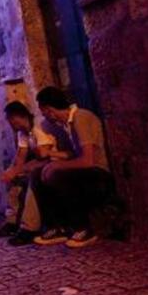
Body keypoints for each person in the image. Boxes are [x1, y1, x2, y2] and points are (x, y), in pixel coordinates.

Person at [31, 87, 112, 248]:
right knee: (38, 174)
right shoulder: (67, 124)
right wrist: (52, 158)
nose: (45, 116)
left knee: (60, 176)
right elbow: (74, 154)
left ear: (50, 110)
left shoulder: (80, 118)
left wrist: (57, 166)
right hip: (85, 168)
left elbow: (88, 160)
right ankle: (57, 227)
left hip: (98, 172)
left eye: (44, 111)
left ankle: (84, 228)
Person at [0, 101, 72, 247]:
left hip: (56, 162)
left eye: (10, 119)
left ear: (17, 117)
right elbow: (20, 156)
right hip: (43, 162)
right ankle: (12, 222)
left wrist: (18, 170)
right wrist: (12, 172)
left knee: (34, 180)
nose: (9, 123)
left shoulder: (39, 128)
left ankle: (29, 228)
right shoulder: (22, 133)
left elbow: (44, 158)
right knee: (15, 179)